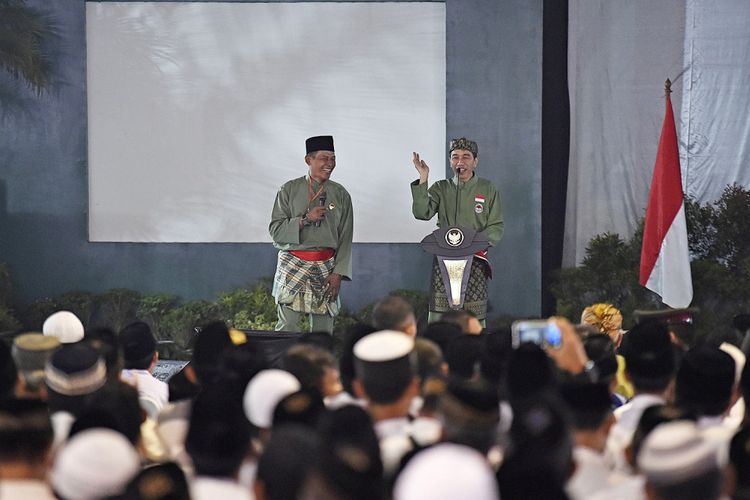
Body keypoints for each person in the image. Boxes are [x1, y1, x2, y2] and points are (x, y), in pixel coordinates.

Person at [411, 138, 503, 323]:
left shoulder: (488, 188)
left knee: (473, 315)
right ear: (450, 161)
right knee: (440, 314)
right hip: (444, 259)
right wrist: (423, 178)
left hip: (475, 259)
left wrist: (478, 243)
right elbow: (421, 213)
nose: (460, 162)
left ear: (475, 161)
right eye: (455, 157)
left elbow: (496, 226)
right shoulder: (441, 188)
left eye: (466, 157)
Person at [270, 135, 353, 334]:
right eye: (324, 158)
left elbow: (346, 238)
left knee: (323, 331)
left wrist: (338, 274)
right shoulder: (288, 190)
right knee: (287, 328)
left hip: (326, 268)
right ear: (309, 160)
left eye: (333, 158)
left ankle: (320, 365)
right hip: (293, 265)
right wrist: (304, 220)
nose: (330, 164)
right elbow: (275, 231)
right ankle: (283, 365)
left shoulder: (340, 194)